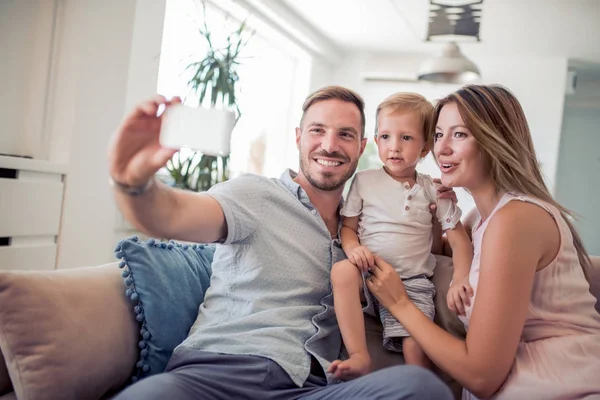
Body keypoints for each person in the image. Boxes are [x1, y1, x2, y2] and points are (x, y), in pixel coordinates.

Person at [107, 86, 453, 400]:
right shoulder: (255, 195)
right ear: (300, 137)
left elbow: (427, 250)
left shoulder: (368, 232)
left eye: (345, 135)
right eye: (318, 131)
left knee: (421, 388)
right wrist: (132, 183)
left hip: (308, 389)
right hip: (211, 377)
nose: (330, 145)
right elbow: (170, 216)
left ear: (362, 146)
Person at [365, 84, 600, 400]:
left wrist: (400, 305)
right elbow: (426, 250)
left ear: (495, 141)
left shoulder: (515, 219)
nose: (441, 149)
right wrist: (425, 205)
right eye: (437, 135)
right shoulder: (477, 219)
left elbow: (481, 375)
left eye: (459, 135)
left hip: (565, 386)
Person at [328, 93, 473, 380]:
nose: (394, 147)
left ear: (425, 148)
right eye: (385, 136)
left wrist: (461, 278)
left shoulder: (434, 190)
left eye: (406, 138)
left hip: (413, 283)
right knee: (342, 271)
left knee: (416, 344)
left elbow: (458, 239)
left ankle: (421, 385)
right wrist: (354, 248)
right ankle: (359, 356)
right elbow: (347, 227)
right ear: (375, 140)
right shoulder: (364, 180)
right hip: (368, 273)